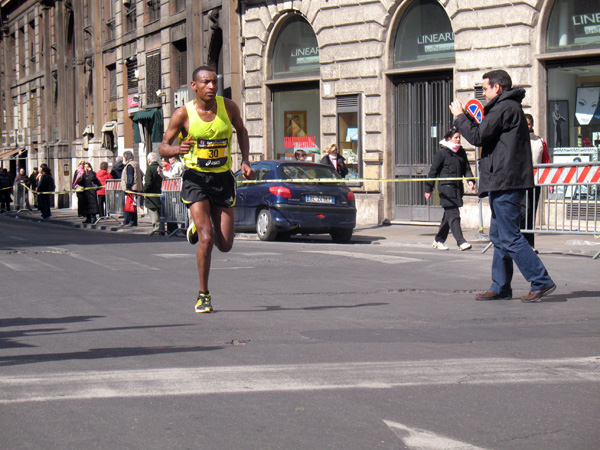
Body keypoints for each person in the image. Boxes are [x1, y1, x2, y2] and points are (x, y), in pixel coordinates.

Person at [450, 69, 556, 303]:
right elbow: (485, 133)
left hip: (506, 180)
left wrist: (459, 117)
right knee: (498, 236)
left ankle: (540, 280)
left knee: (510, 236)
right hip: (501, 180)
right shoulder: (506, 108)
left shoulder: (505, 107)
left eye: (485, 88)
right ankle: (500, 286)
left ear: (497, 88)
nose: (484, 92)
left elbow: (478, 136)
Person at [159, 65, 254, 313]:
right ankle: (203, 295)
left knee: (225, 245)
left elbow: (242, 131)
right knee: (207, 237)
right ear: (194, 86)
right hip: (196, 179)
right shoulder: (183, 114)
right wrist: (176, 150)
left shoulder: (228, 107)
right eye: (206, 83)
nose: (211, 86)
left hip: (223, 179)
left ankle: (197, 227)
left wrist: (245, 159)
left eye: (214, 82)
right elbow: (163, 147)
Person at [425, 128, 476, 251]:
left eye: (459, 137)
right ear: (448, 139)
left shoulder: (461, 152)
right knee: (454, 214)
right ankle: (461, 241)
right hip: (446, 189)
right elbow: (433, 171)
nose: (458, 140)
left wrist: (470, 180)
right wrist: (428, 189)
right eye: (456, 137)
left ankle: (438, 240)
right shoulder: (442, 153)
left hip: (457, 188)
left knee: (448, 217)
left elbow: (467, 168)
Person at [520, 114, 552, 253]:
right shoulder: (517, 140)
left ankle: (530, 243)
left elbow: (546, 161)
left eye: (529, 124)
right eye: (525, 124)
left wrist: (549, 180)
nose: (527, 126)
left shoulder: (540, 141)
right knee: (522, 212)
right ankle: (519, 242)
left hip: (535, 181)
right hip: (519, 181)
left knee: (531, 212)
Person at [120, 150, 143, 227]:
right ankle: (133, 221)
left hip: (130, 189)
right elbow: (142, 174)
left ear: (126, 157)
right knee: (133, 206)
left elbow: (130, 177)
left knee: (128, 206)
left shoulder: (129, 165)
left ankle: (128, 221)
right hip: (135, 188)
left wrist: (128, 187)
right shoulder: (136, 164)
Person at [144, 152, 164, 235]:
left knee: (154, 211)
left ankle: (157, 228)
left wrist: (144, 190)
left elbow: (148, 182)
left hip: (151, 193)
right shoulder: (160, 167)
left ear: (149, 160)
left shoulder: (150, 169)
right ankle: (161, 228)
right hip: (160, 191)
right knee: (160, 211)